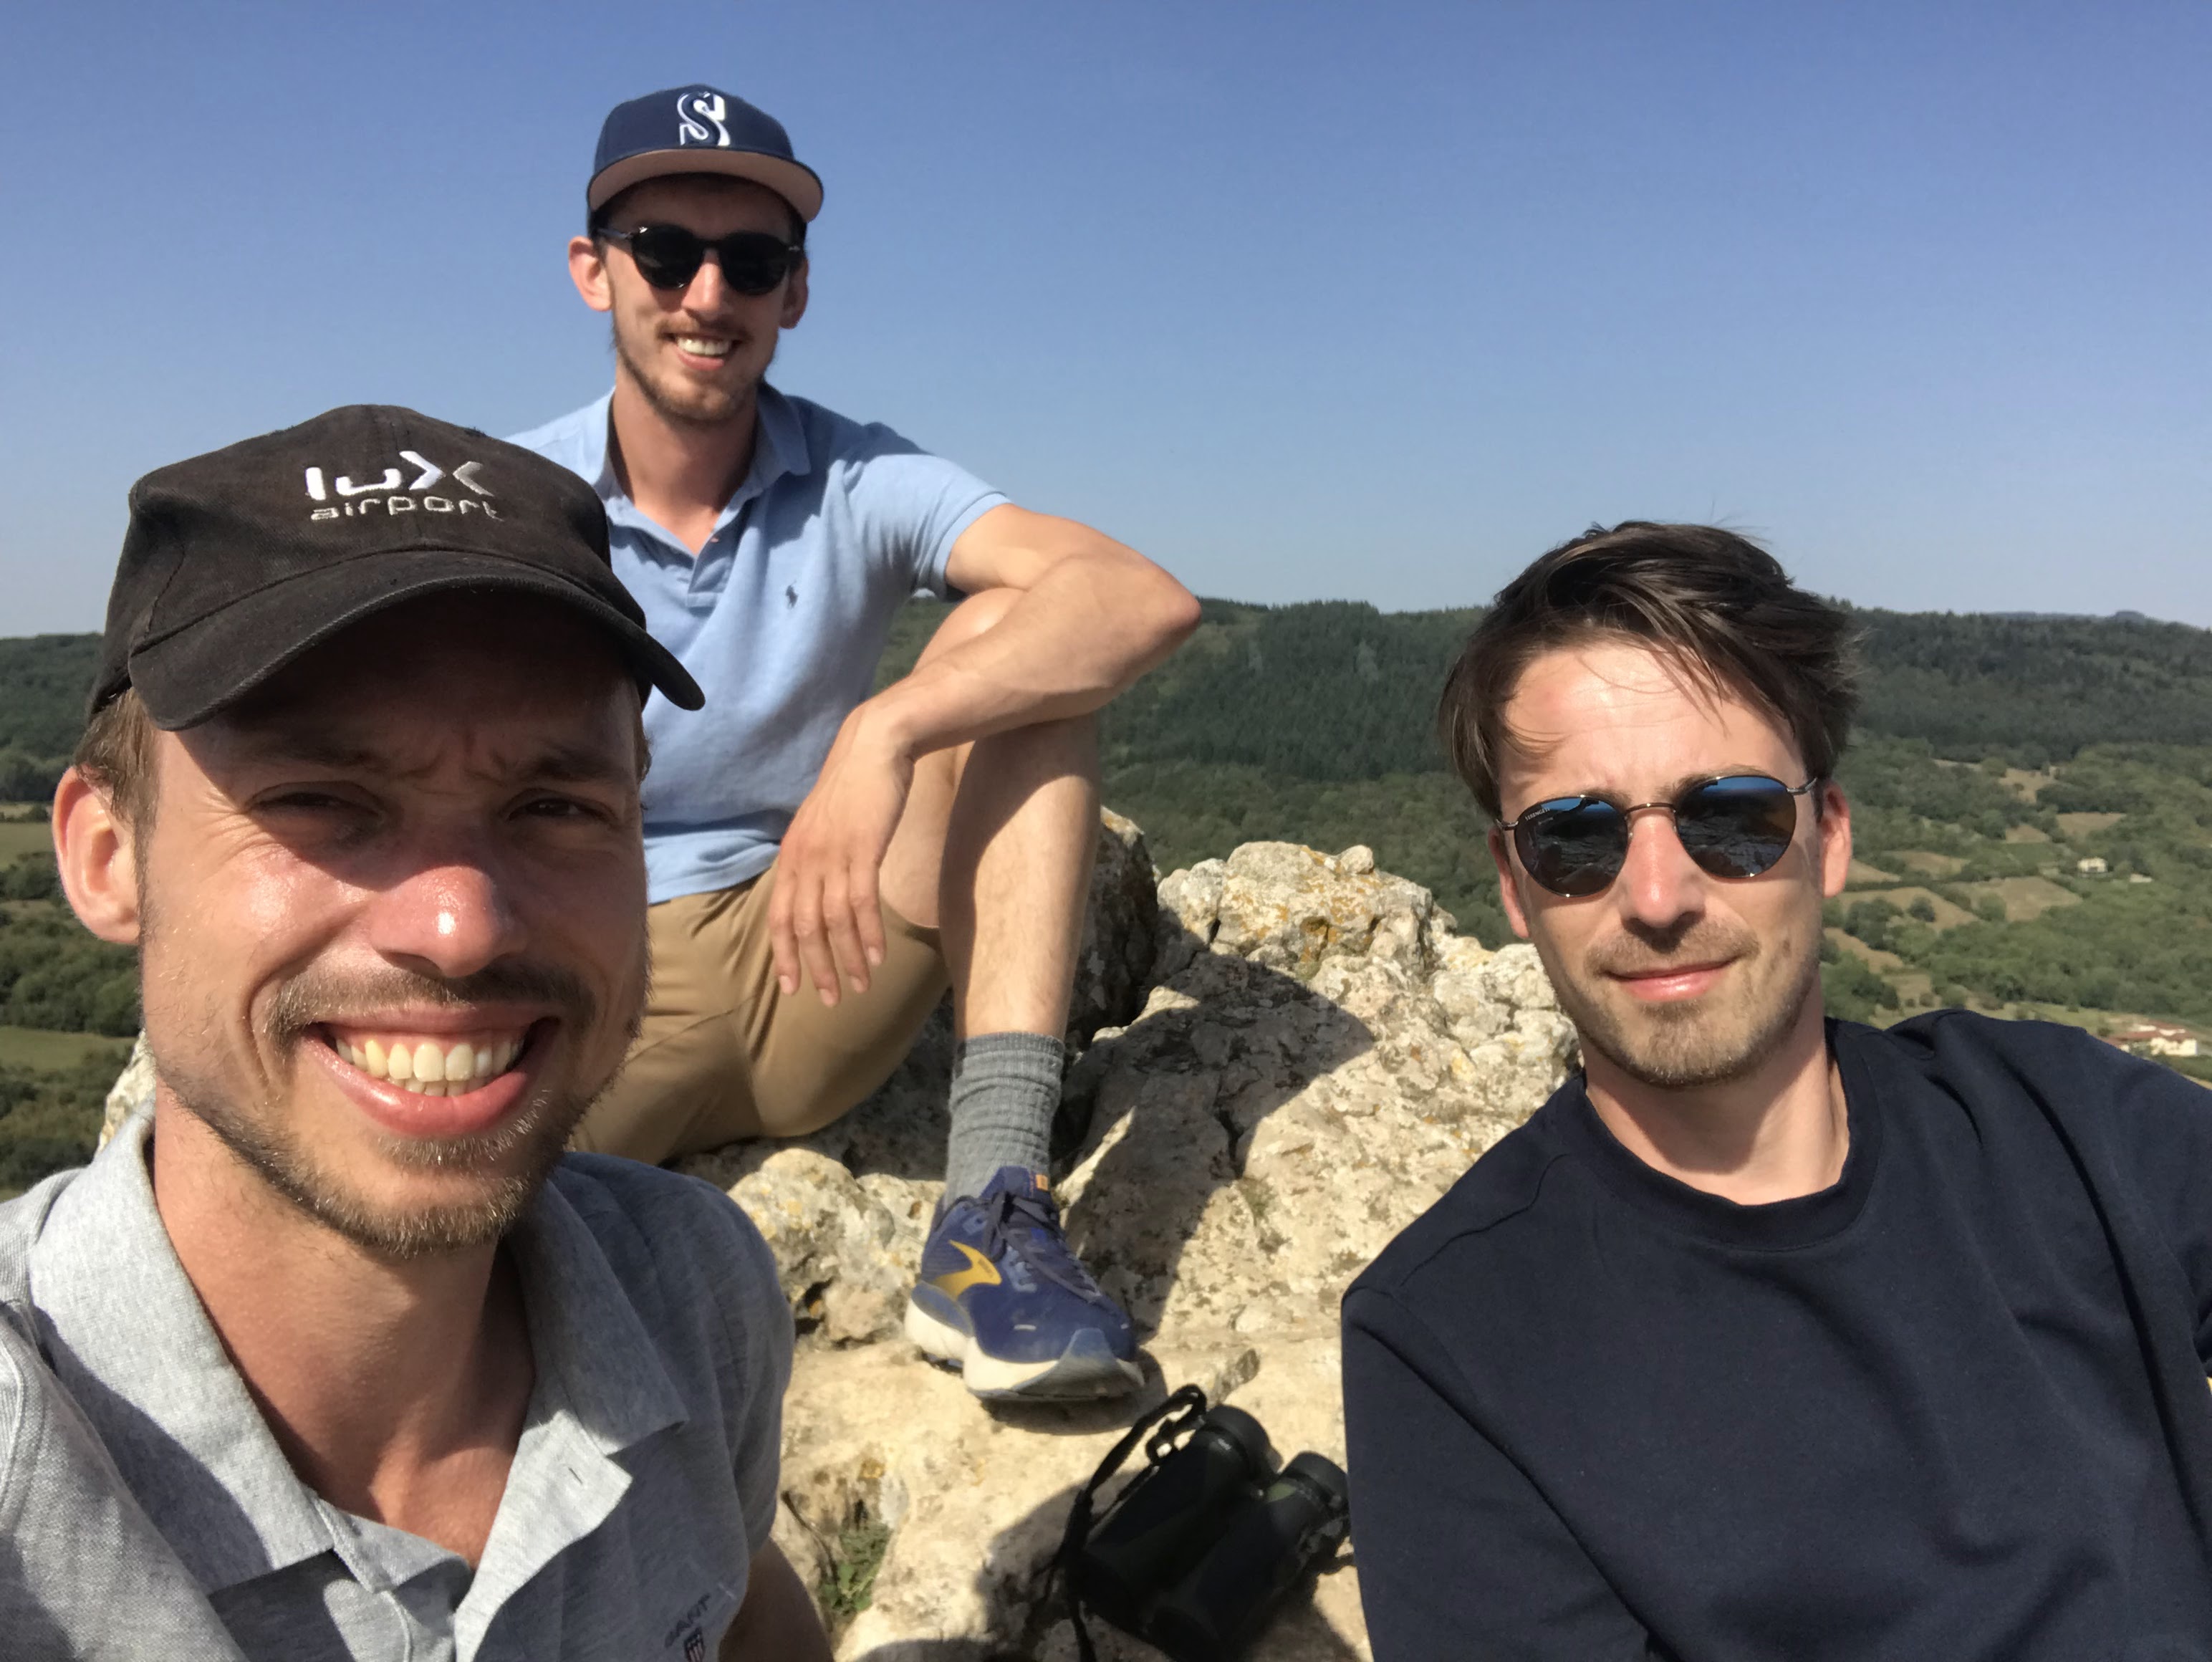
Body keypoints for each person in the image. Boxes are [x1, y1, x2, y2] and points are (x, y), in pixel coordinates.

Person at [1, 405, 832, 1660]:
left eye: (555, 806)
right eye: (322, 800)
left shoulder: (692, 1292)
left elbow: (745, 1609)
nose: (461, 926)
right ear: (109, 856)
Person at [1342, 523, 2212, 1658]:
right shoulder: (1455, 1337)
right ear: (1514, 884)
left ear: (1829, 836)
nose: (1658, 897)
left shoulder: (2067, 1123)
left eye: (1730, 818)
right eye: (1576, 838)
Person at [511, 85, 1199, 1401]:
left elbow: (1138, 599)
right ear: (594, 271)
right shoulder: (518, 500)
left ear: (797, 291)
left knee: (1018, 646)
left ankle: (991, 1226)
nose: (708, 294)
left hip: (817, 949)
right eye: (666, 251)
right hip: (602, 979)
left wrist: (886, 730)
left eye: (751, 260)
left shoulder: (854, 477)